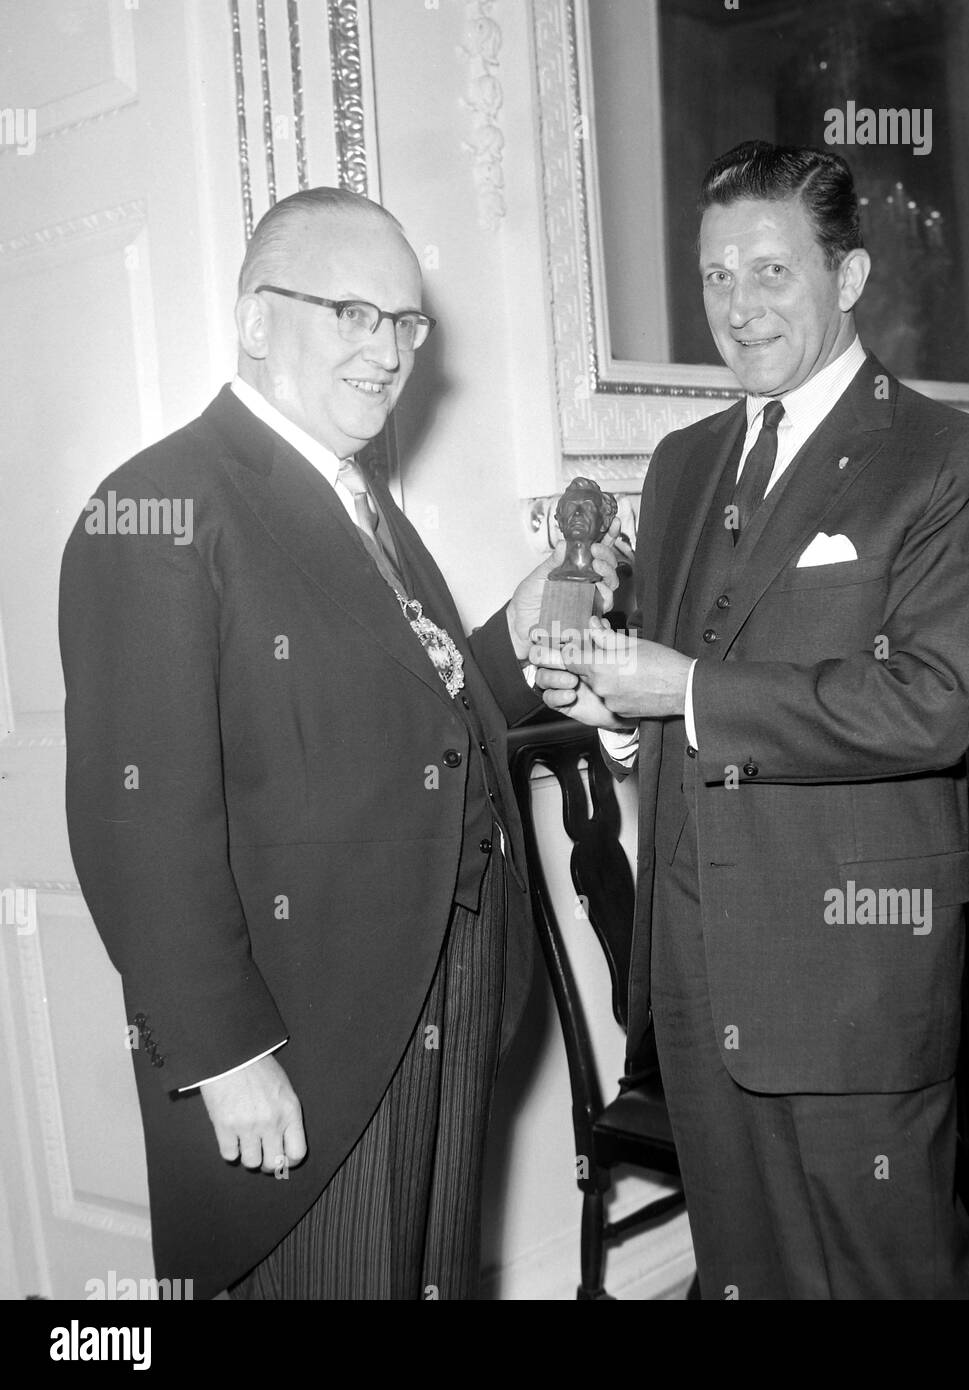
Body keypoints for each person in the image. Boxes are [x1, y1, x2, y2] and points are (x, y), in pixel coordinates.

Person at [59, 186, 618, 1300]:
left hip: (443, 989)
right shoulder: (160, 506)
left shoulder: (355, 497)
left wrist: (513, 632)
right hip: (306, 1034)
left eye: (405, 323)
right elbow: (137, 820)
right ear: (258, 318)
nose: (388, 350)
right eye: (350, 314)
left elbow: (416, 705)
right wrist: (224, 1057)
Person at [531, 141, 969, 1299]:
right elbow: (671, 696)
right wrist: (608, 708)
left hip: (851, 967)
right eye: (713, 278)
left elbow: (929, 705)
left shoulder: (950, 456)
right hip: (696, 968)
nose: (737, 310)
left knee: (887, 1275)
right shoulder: (685, 461)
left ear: (845, 278)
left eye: (770, 273)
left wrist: (682, 688)